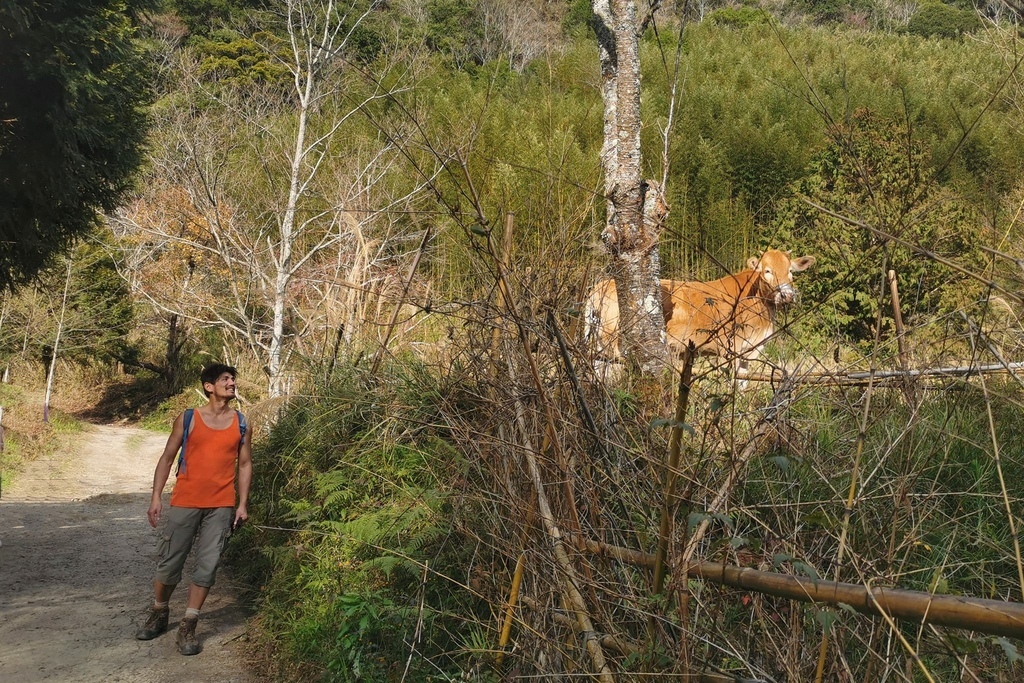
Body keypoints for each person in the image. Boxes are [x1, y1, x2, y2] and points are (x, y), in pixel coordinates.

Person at [134, 363, 252, 656]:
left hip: (221, 505)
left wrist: (242, 503)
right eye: (225, 379)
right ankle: (160, 612)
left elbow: (246, 464)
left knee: (208, 565)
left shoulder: (242, 422)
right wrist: (156, 497)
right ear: (209, 386)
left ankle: (189, 623)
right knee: (170, 562)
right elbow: (166, 457)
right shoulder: (188, 418)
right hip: (185, 500)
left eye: (233, 379)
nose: (232, 383)